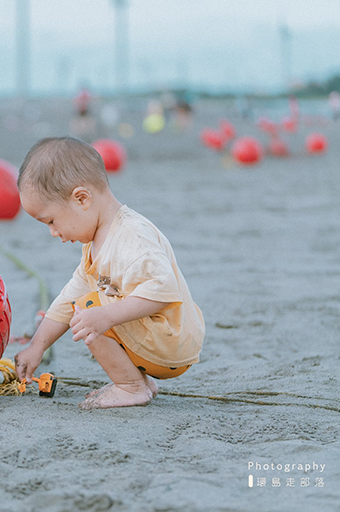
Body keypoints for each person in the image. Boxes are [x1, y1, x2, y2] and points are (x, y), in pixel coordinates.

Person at [14, 137, 205, 409]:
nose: (53, 233)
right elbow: (69, 297)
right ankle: (140, 382)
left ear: (81, 199)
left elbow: (163, 292)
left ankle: (131, 388)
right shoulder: (95, 244)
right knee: (84, 304)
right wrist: (37, 346)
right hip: (155, 342)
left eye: (52, 221)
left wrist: (105, 315)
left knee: (89, 308)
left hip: (170, 341)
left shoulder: (132, 235)